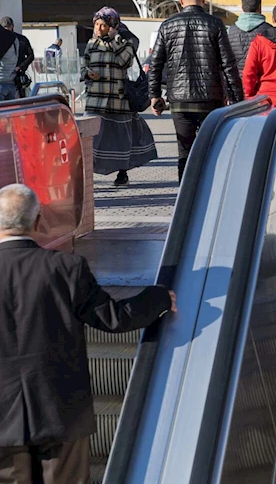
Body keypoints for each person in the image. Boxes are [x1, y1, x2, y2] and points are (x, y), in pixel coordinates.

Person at [0, 184, 176, 484]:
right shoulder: (65, 267)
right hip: (61, 409)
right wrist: (158, 297)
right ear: (38, 220)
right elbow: (114, 319)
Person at [149, 0, 243, 182]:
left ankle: (186, 196)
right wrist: (237, 99)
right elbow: (228, 64)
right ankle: (209, 192)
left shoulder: (168, 25)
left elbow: (155, 63)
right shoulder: (215, 24)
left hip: (179, 101)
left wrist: (155, 96)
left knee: (184, 151)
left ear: (180, 0)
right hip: (211, 99)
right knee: (211, 149)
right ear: (203, 0)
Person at [82, 7, 158, 187]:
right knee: (91, 137)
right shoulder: (91, 43)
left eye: (103, 25)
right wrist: (87, 72)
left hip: (118, 98)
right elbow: (84, 65)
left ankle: (122, 173)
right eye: (97, 25)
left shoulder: (125, 42)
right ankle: (87, 175)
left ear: (113, 26)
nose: (99, 29)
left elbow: (125, 61)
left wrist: (115, 39)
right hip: (96, 98)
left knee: (120, 137)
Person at [228, 0, 272, 73]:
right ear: (260, 8)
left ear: (242, 7)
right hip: (261, 81)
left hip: (237, 80)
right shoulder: (270, 30)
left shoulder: (230, 30)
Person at [0, 17, 34, 99]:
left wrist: (20, 67)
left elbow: (31, 56)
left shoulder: (20, 39)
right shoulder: (18, 39)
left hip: (15, 78)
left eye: (8, 27)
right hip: (12, 78)